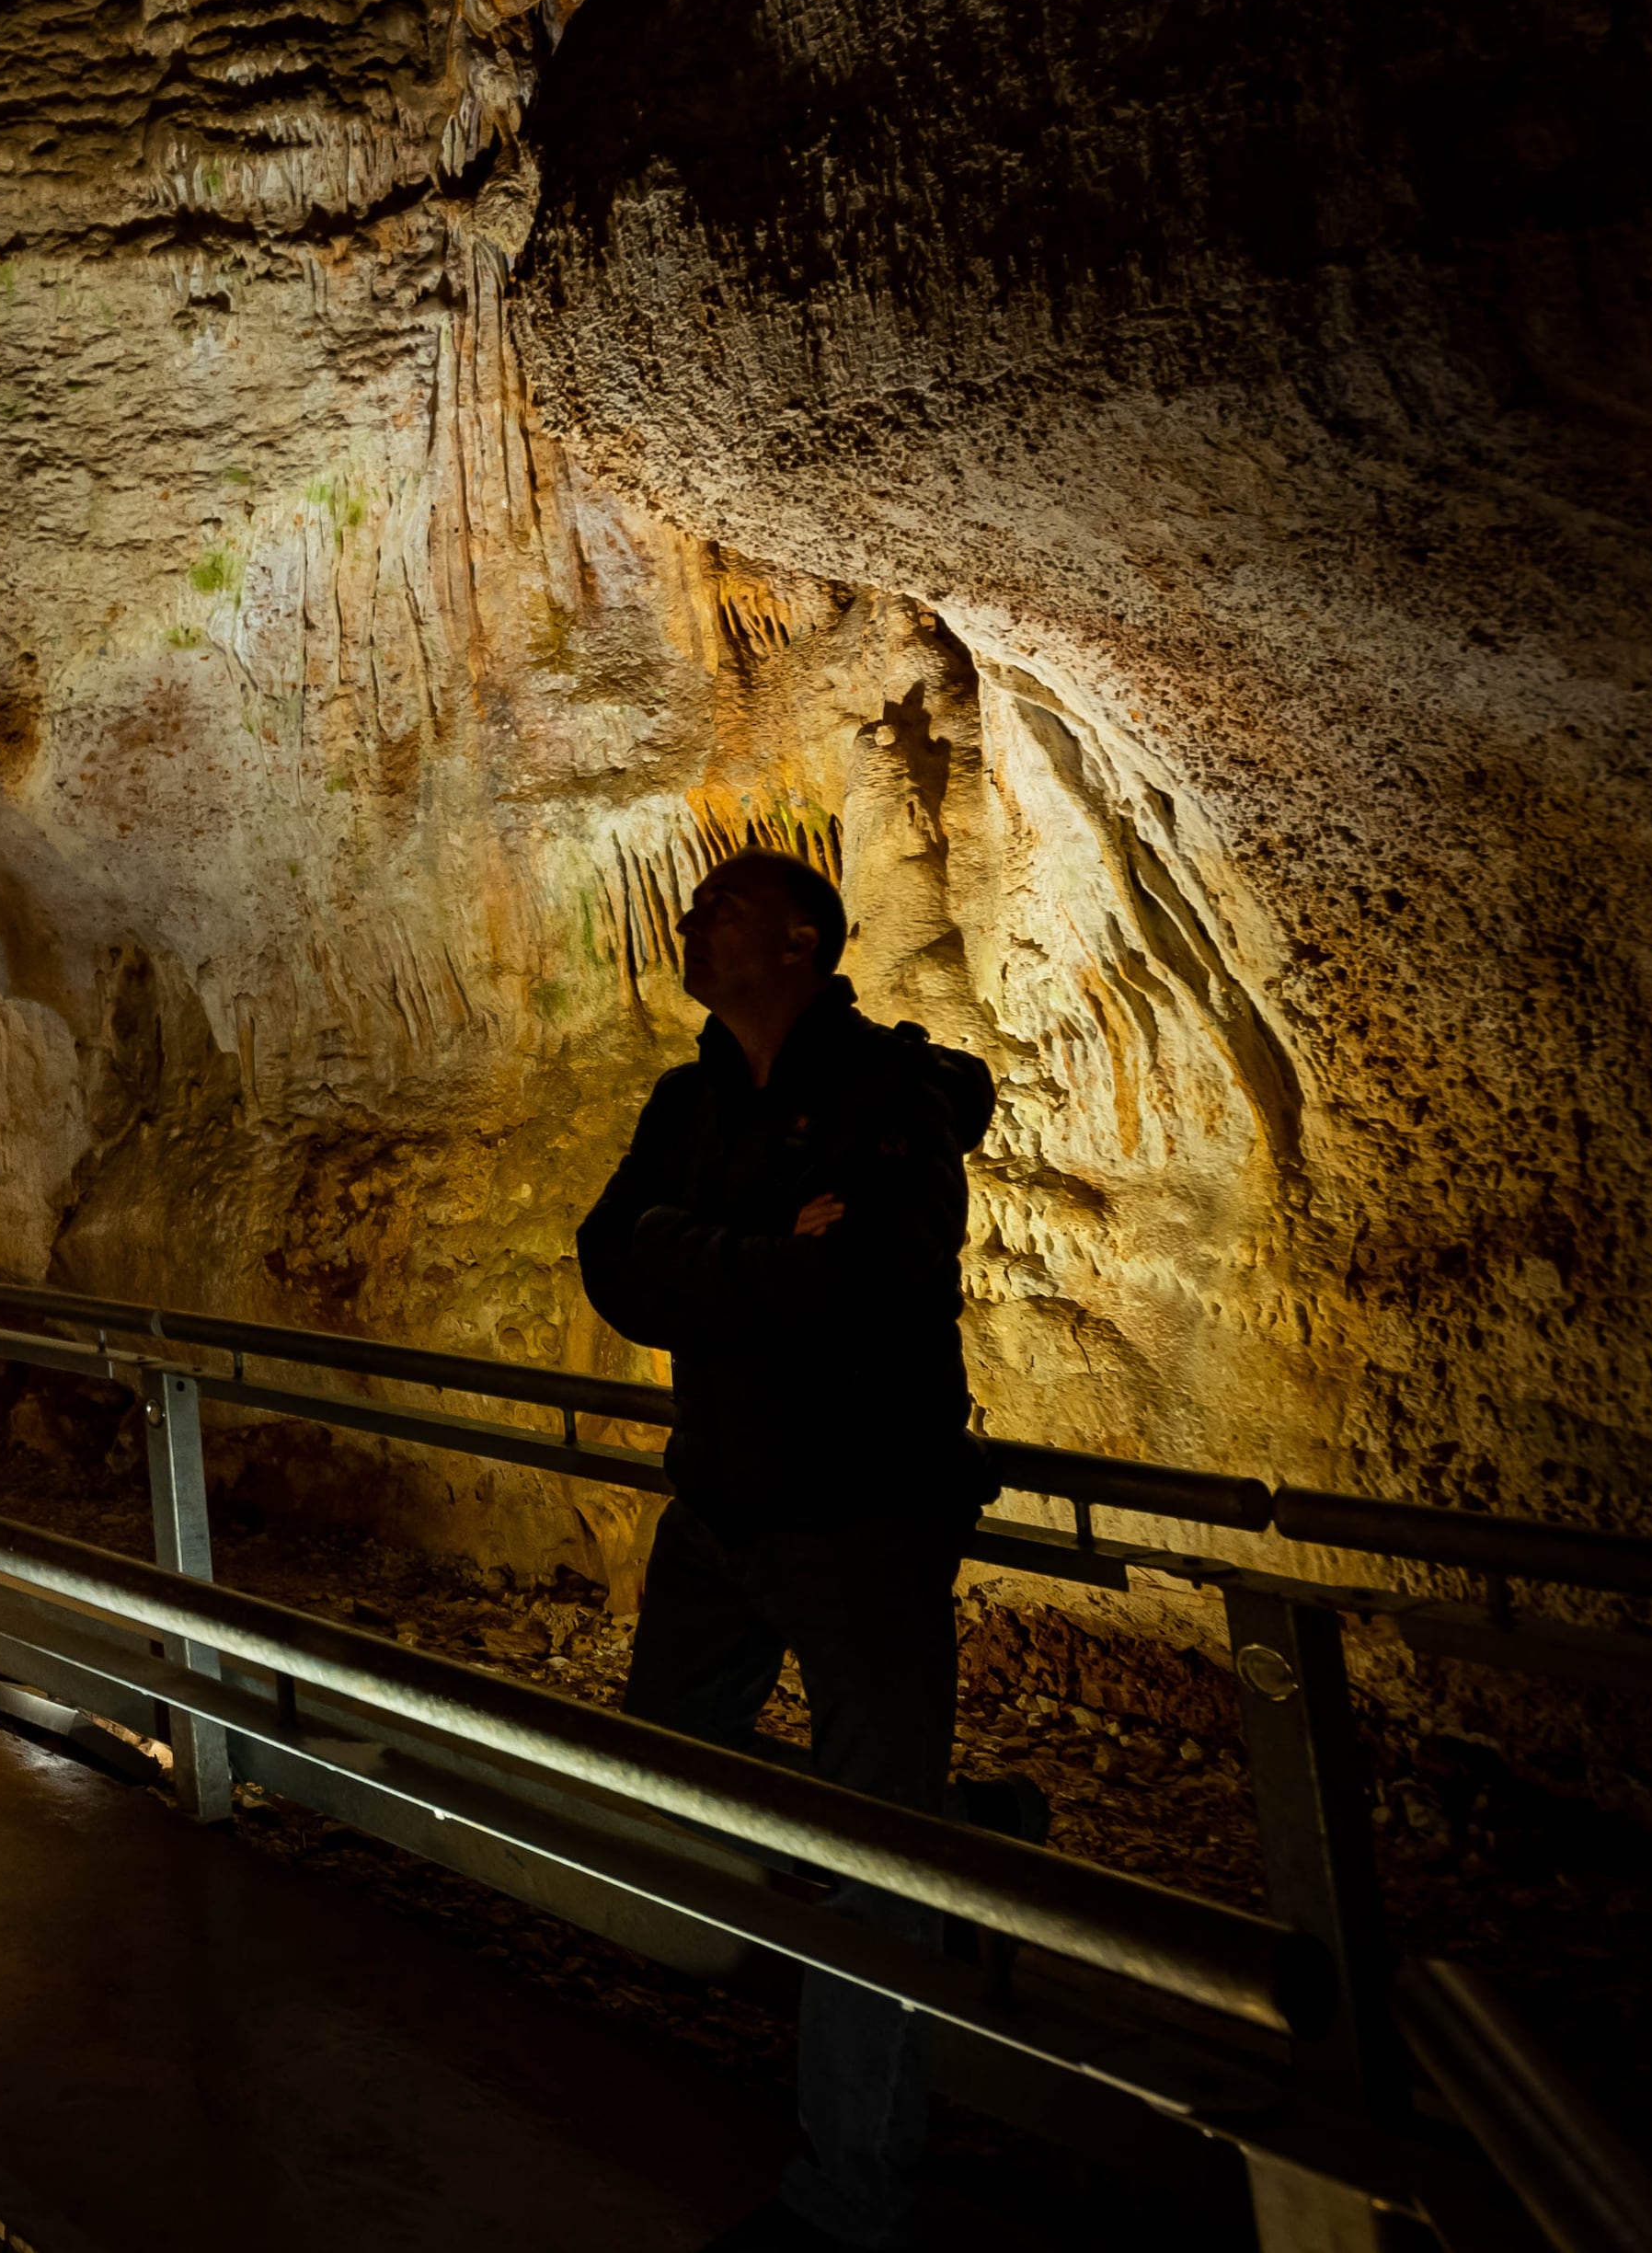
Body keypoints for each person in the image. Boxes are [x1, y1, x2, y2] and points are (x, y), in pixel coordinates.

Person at [575, 847, 992, 2253]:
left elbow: (869, 1281)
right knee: (665, 1781)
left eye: (721, 913)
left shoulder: (888, 1097)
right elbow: (612, 1260)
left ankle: (852, 2198)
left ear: (801, 940)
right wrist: (759, 1250)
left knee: (873, 1850)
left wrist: (701, 1257)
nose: (689, 926)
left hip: (863, 1512)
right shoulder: (689, 1100)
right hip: (725, 1506)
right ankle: (980, 1860)